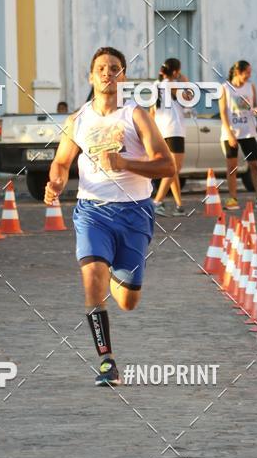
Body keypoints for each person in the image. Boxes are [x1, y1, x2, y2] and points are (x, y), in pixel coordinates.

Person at [44, 46, 175, 387]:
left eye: (114, 68)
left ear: (123, 76)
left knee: (128, 301)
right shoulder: (78, 120)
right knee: (92, 280)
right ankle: (107, 361)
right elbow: (61, 162)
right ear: (91, 76)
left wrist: (127, 163)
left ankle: (119, 278)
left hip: (134, 213)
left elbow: (167, 165)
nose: (107, 73)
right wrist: (56, 182)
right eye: (101, 68)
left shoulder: (136, 116)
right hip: (92, 212)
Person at [219, 60, 257, 211]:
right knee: (232, 166)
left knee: (255, 164)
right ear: (238, 72)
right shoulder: (225, 88)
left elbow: (254, 105)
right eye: (247, 72)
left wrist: (256, 110)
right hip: (231, 131)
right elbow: (223, 112)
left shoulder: (251, 87)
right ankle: (232, 198)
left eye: (250, 72)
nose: (249, 76)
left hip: (248, 131)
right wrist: (229, 133)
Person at [152, 58, 189, 216]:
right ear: (175, 72)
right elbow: (188, 98)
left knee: (171, 170)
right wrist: (186, 82)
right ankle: (157, 202)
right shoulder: (172, 84)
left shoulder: (156, 85)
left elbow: (151, 111)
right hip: (174, 129)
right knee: (174, 168)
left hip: (161, 129)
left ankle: (179, 205)